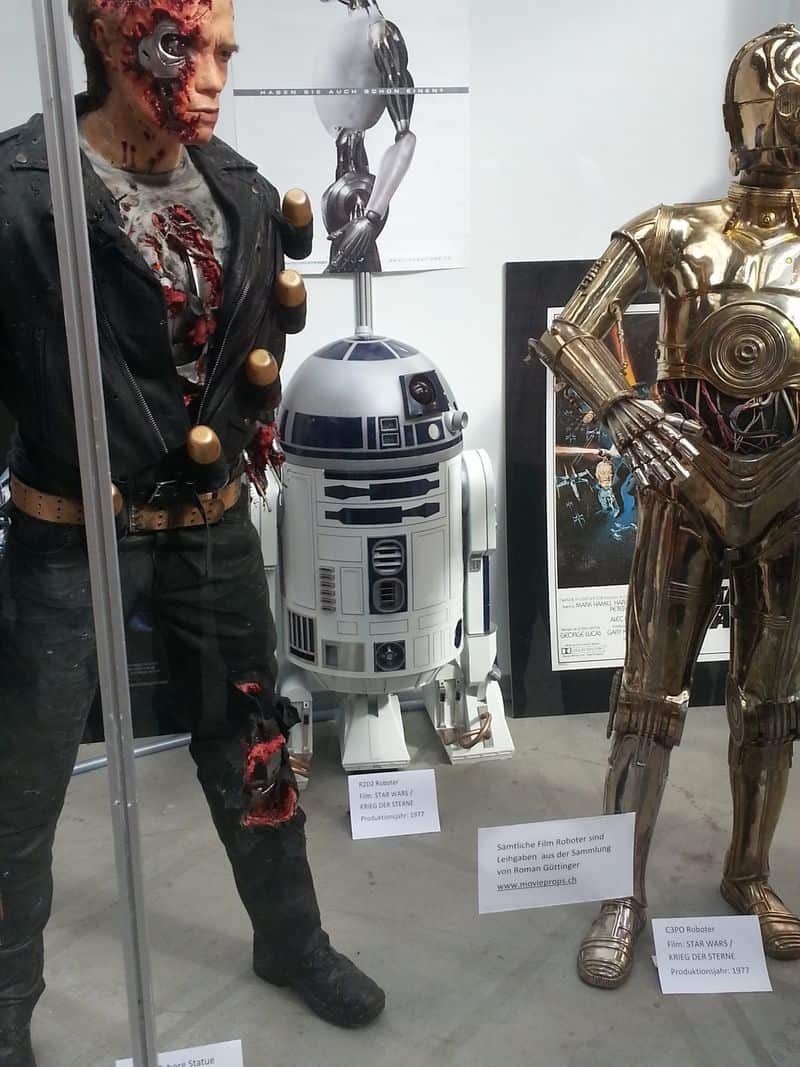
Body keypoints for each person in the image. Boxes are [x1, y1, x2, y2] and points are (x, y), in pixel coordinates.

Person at [0, 2, 384, 1063]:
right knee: (23, 783)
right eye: (183, 47)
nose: (211, 76)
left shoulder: (244, 195)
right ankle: (5, 1008)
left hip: (210, 529)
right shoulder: (22, 192)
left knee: (254, 744)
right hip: (67, 533)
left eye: (223, 52)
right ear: (109, 40)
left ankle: (291, 938)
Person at [535, 22, 800, 989]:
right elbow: (568, 332)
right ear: (745, 118)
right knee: (648, 703)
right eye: (780, 107)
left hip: (790, 500)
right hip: (686, 493)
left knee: (773, 703)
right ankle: (622, 893)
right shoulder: (674, 231)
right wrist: (620, 406)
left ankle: (748, 872)